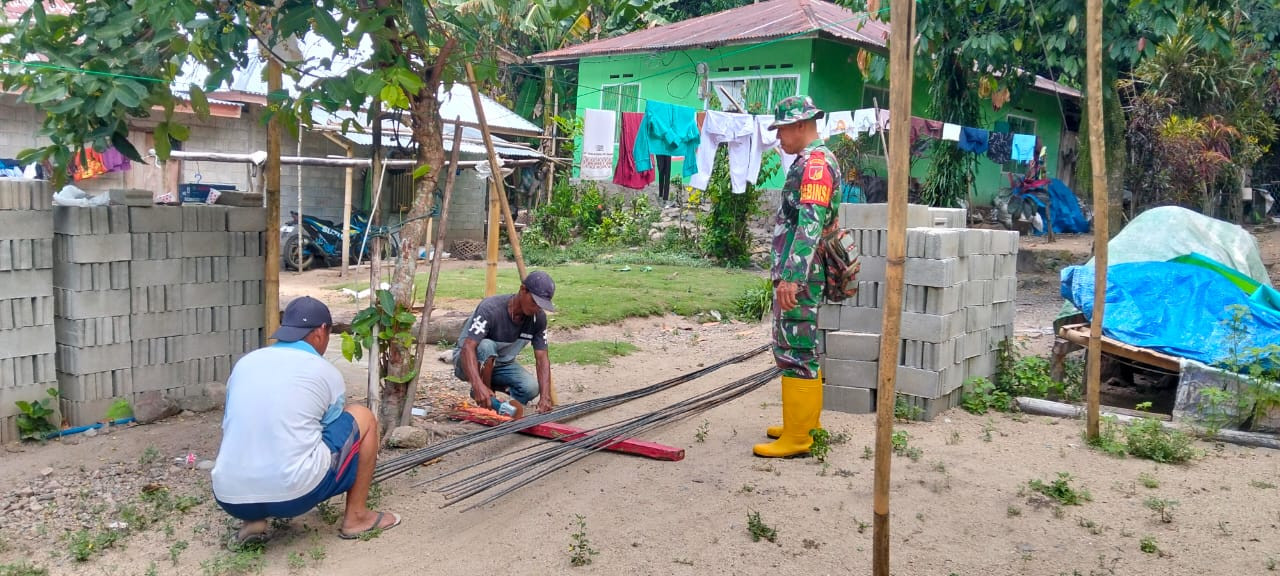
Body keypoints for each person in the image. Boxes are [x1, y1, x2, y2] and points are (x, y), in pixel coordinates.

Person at [212, 296, 401, 546]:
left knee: (256, 425)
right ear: (321, 331)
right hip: (295, 494)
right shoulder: (323, 371)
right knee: (362, 416)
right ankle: (357, 517)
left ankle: (253, 521)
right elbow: (327, 430)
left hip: (229, 496)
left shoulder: (246, 363)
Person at [755, 95, 842, 458]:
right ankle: (804, 425)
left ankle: (799, 439)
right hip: (806, 270)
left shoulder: (816, 165)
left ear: (801, 125)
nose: (779, 138)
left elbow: (809, 224)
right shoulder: (814, 161)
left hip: (802, 274)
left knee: (795, 350)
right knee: (800, 347)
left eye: (783, 130)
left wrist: (791, 278)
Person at [454, 271, 557, 416]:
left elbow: (542, 359)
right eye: (534, 302)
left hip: (501, 365)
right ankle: (482, 395)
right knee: (486, 345)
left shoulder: (538, 319)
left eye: (541, 305)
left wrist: (545, 396)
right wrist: (478, 385)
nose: (537, 308)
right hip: (467, 362)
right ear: (523, 290)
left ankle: (502, 409)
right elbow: (468, 348)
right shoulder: (491, 308)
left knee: (531, 388)